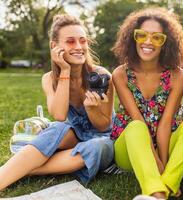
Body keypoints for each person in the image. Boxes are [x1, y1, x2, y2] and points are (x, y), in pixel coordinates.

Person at [0, 14, 114, 190]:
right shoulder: (49, 78)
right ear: (55, 46)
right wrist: (65, 70)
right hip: (72, 134)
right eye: (70, 41)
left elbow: (103, 126)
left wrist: (92, 109)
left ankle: (25, 168)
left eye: (82, 41)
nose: (78, 47)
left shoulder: (102, 76)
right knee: (56, 128)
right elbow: (60, 115)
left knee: (97, 146)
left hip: (102, 137)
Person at [111, 7, 183, 200]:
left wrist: (163, 165)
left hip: (165, 142)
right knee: (136, 125)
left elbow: (165, 124)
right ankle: (157, 193)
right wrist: (157, 165)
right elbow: (137, 119)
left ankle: (170, 181)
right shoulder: (120, 74)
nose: (148, 42)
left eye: (157, 37)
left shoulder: (177, 76)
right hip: (130, 150)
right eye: (141, 35)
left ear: (166, 43)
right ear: (132, 38)